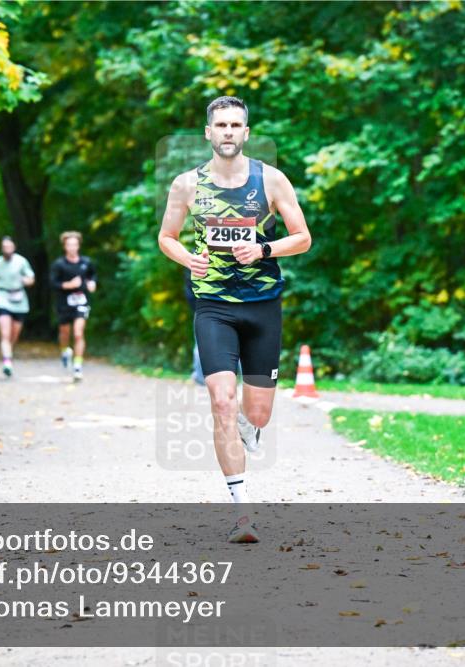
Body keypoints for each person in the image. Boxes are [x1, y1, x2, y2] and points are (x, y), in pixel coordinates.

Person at [158, 96, 312, 543]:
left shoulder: (272, 179)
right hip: (213, 305)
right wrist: (189, 258)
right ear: (208, 133)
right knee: (222, 400)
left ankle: (251, 427)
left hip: (262, 304)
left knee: (257, 413)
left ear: (246, 133)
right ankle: (243, 513)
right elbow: (167, 238)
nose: (228, 131)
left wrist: (264, 249)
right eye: (220, 124)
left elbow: (302, 238)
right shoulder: (187, 184)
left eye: (235, 125)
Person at [0, 236, 35, 377]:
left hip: (19, 298)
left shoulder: (21, 261)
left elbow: (31, 278)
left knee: (14, 333)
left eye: (9, 247)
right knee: (5, 333)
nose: (7, 249)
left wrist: (27, 281)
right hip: (2, 297)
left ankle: (8, 354)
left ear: (14, 247)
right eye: (4, 247)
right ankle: (7, 361)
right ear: (1, 248)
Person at [50, 231, 96, 382]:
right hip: (64, 303)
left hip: (82, 302)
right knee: (64, 333)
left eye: (75, 244)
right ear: (64, 246)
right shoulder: (59, 264)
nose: (72, 247)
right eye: (69, 245)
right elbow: (53, 283)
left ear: (78, 246)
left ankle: (77, 366)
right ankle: (64, 351)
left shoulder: (86, 262)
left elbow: (92, 276)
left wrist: (92, 283)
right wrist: (68, 285)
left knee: (78, 333)